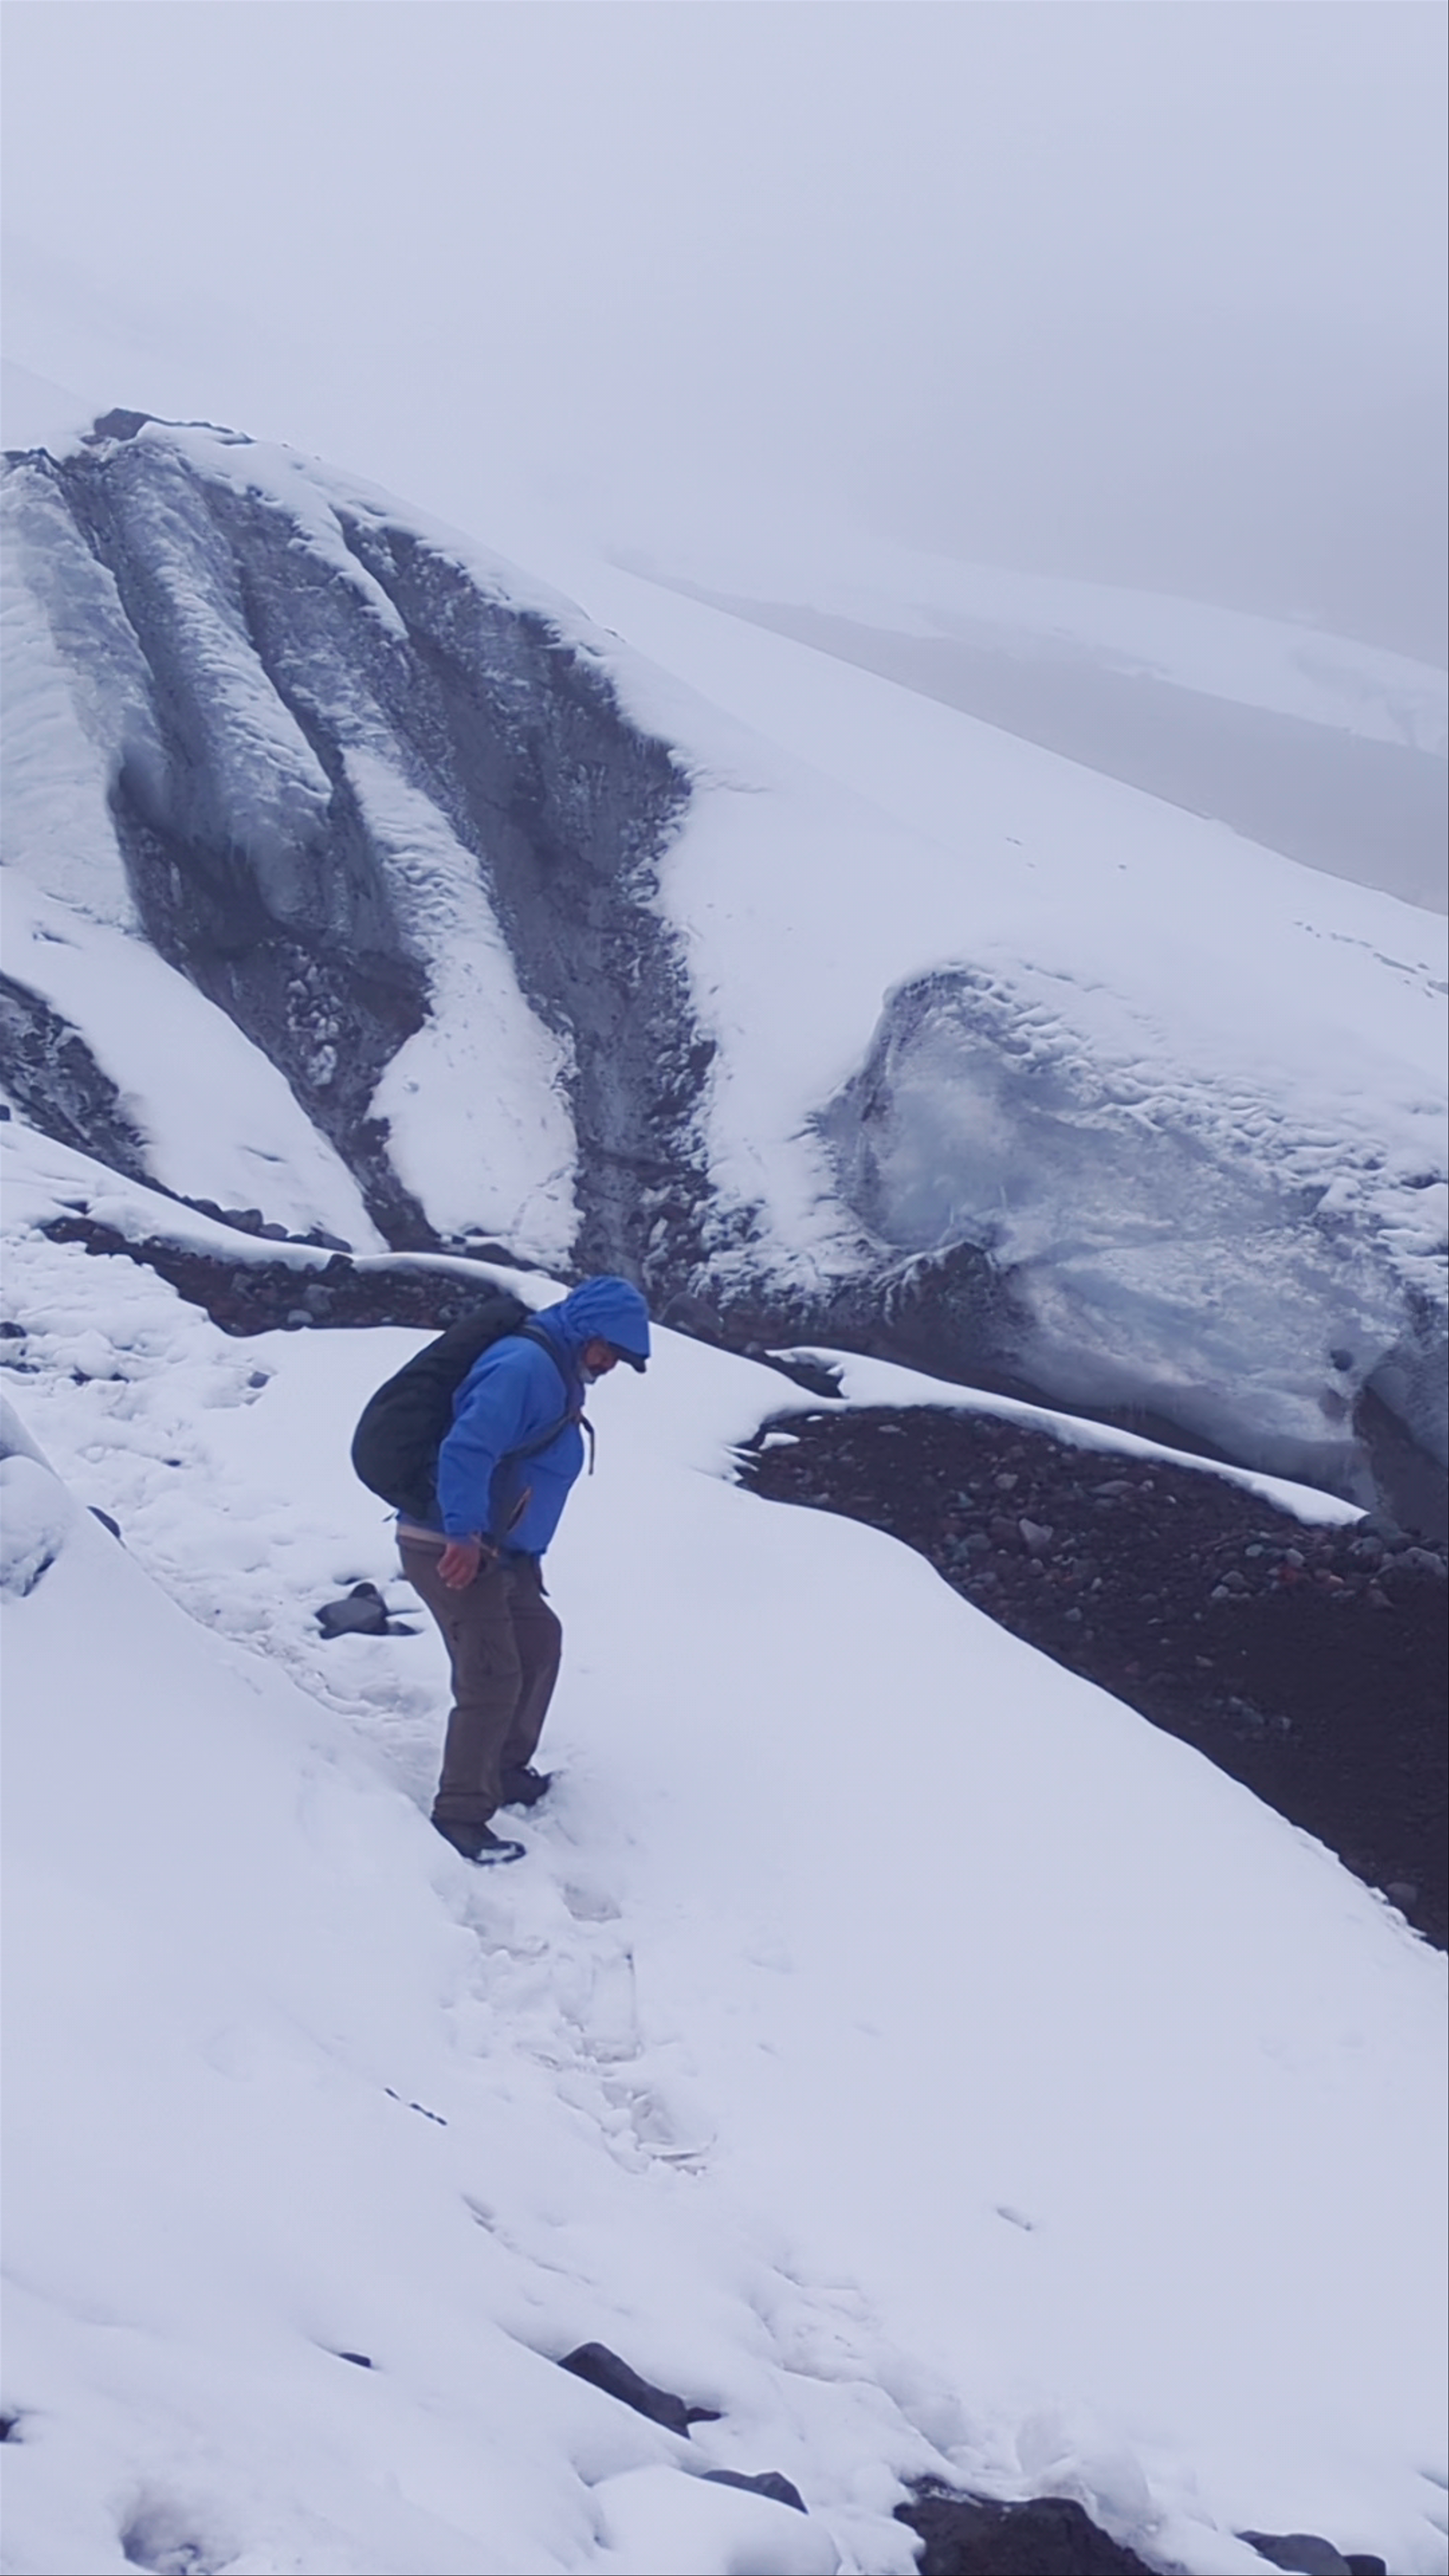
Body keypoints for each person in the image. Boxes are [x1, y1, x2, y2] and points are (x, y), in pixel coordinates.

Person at [397, 1275, 650, 1864]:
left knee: (539, 1641)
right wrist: (462, 1531)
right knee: (491, 1674)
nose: (611, 1364)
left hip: (499, 1552)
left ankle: (506, 1768)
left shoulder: (556, 1368)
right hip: (450, 1543)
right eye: (609, 1350)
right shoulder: (524, 1368)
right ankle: (461, 1813)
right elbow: (467, 1449)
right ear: (587, 1333)